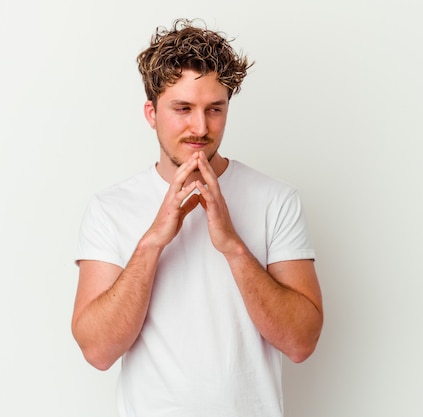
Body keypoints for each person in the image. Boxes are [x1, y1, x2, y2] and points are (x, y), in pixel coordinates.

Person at [71, 18, 323, 417]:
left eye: (215, 109)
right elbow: (98, 351)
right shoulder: (110, 208)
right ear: (151, 113)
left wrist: (232, 246)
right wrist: (153, 240)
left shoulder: (276, 200)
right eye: (183, 108)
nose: (201, 127)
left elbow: (301, 343)